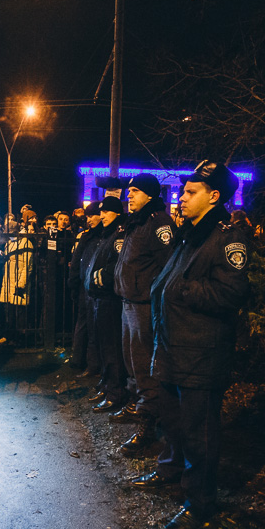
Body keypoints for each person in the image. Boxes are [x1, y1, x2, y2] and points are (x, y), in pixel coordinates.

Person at [136, 160, 250, 529]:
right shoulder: (191, 233)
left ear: (214, 196)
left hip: (201, 353)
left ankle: (199, 503)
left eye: (190, 192)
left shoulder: (227, 237)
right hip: (173, 348)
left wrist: (182, 290)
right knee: (172, 421)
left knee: (200, 432)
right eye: (183, 191)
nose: (181, 197)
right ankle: (170, 470)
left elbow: (232, 293)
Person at [111, 175, 175, 458]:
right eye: (129, 191)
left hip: (144, 306)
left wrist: (151, 294)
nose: (129, 196)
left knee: (145, 364)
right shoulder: (136, 222)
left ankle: (148, 425)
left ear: (149, 194)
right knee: (132, 361)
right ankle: (136, 406)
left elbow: (167, 266)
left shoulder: (159, 223)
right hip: (129, 302)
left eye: (135, 191)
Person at [85, 194, 128, 413]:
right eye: (100, 212)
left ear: (117, 213)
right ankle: (106, 384)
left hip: (109, 299)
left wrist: (101, 277)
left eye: (106, 212)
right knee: (104, 346)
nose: (102, 215)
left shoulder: (118, 235)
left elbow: (116, 265)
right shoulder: (107, 234)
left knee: (112, 349)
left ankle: (115, 392)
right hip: (99, 298)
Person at [68, 202, 103, 376]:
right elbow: (77, 261)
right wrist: (74, 282)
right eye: (87, 216)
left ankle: (90, 363)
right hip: (85, 285)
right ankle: (80, 360)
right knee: (84, 323)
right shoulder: (87, 236)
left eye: (92, 216)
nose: (89, 220)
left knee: (92, 325)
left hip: (96, 286)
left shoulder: (101, 236)